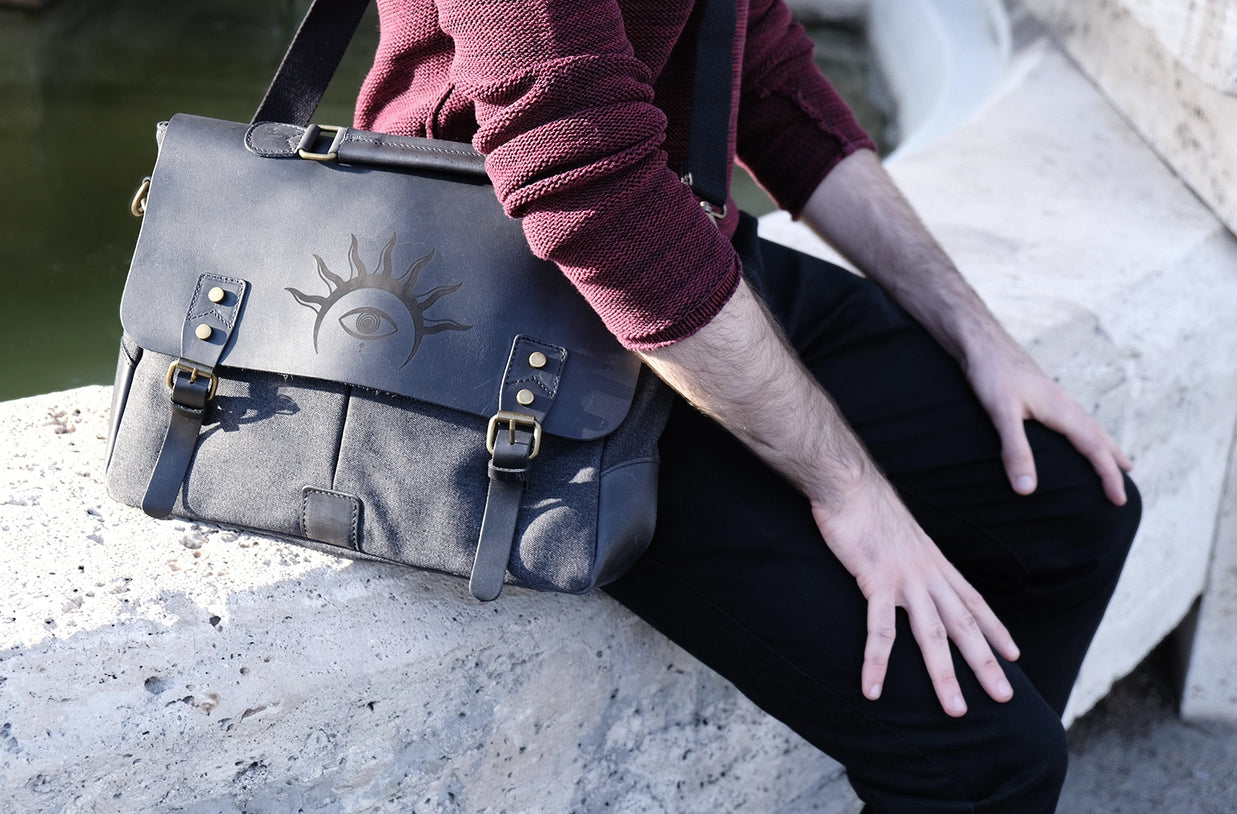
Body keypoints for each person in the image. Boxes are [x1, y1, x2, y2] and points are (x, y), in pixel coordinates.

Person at [354, 0, 1141, 810]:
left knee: (1073, 511)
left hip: (687, 250)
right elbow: (581, 168)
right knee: (987, 767)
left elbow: (756, 60)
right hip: (504, 318)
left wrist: (975, 331)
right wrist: (851, 488)